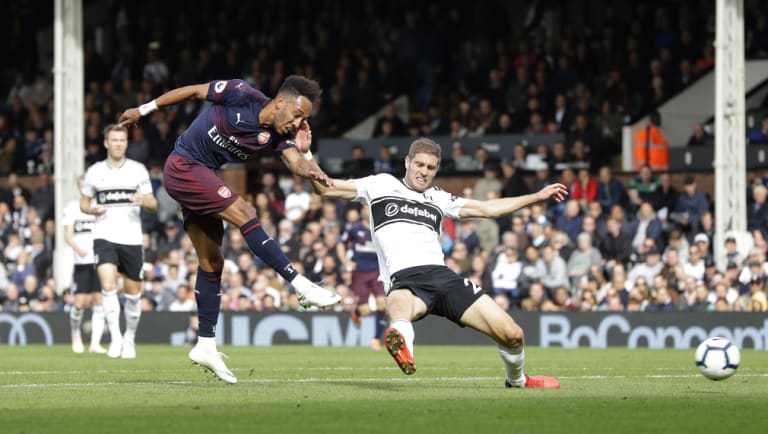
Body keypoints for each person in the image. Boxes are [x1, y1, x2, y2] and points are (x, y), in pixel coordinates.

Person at [118, 75, 340, 384]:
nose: (298, 122)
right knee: (245, 212)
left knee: (212, 263)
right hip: (183, 166)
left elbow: (297, 166)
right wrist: (143, 110)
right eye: (297, 114)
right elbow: (193, 91)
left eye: (304, 118)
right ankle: (300, 284)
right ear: (279, 103)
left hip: (202, 176)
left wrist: (305, 153)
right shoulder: (240, 93)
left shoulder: (278, 136)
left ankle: (205, 345)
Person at [311, 137, 568, 388]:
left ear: (436, 170)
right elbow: (325, 187)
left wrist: (537, 196)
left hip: (444, 278)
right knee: (397, 304)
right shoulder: (379, 185)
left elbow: (490, 209)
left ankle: (518, 381)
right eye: (419, 164)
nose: (424, 172)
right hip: (406, 280)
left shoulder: (439, 198)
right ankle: (404, 350)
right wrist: (305, 156)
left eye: (431, 168)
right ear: (407, 162)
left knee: (513, 335)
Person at [80, 124, 158, 359]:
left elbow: (154, 205)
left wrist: (144, 200)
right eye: (114, 140)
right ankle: (114, 339)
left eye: (122, 140)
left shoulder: (138, 170)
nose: (118, 144)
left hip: (131, 238)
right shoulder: (94, 171)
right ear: (106, 143)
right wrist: (90, 210)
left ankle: (129, 339)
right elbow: (83, 203)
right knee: (107, 284)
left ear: (126, 143)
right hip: (104, 236)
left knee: (133, 293)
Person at [63, 176, 106, 354]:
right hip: (81, 261)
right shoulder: (72, 207)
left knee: (98, 300)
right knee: (79, 303)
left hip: (98, 259)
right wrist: (76, 248)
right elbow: (68, 234)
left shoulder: (100, 206)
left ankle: (95, 344)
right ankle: (75, 334)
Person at [338, 205, 387, 349]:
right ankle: (357, 312)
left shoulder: (381, 228)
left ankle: (376, 338)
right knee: (365, 310)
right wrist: (345, 261)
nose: (368, 210)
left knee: (382, 303)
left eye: (370, 207)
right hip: (359, 273)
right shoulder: (354, 228)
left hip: (377, 271)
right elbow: (341, 244)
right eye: (366, 208)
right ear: (362, 211)